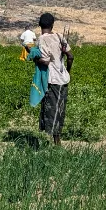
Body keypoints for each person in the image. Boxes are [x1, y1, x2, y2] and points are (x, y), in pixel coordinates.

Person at [33, 13, 73, 146]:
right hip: (63, 79)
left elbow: (42, 61)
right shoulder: (59, 37)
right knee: (60, 109)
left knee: (50, 109)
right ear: (52, 25)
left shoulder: (41, 40)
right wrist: (67, 71)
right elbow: (70, 56)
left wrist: (35, 58)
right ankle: (57, 140)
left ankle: (54, 142)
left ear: (40, 25)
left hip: (50, 80)